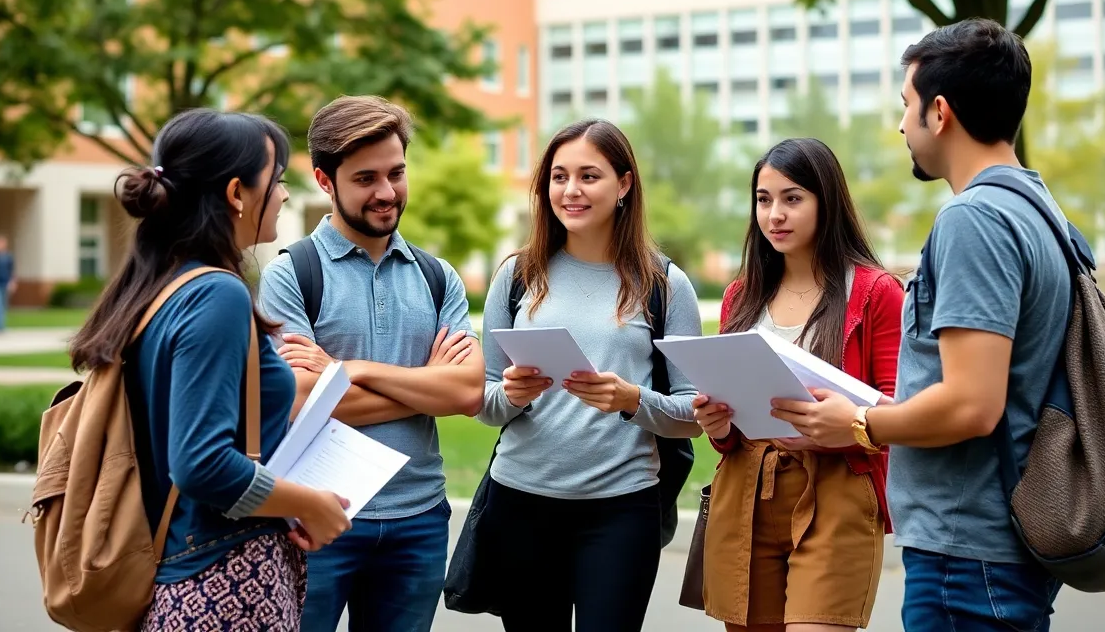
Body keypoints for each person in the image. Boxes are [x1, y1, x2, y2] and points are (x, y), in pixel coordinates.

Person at [773, 18, 1071, 631]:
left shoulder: (974, 220)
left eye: (906, 106)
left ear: (940, 112)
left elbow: (971, 405)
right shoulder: (1038, 207)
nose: (901, 125)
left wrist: (857, 423)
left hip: (968, 553)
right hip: (1000, 546)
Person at [66, 109, 352, 630]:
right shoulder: (215, 294)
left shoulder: (160, 287)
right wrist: (311, 503)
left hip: (184, 573)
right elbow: (201, 464)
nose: (285, 195)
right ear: (237, 193)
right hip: (227, 584)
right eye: (278, 180)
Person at [258, 95, 483, 632]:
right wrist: (426, 383)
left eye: (396, 173)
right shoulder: (291, 276)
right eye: (365, 179)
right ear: (324, 179)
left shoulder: (438, 277)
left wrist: (347, 370)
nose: (387, 193)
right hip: (314, 518)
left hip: (420, 519)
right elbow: (297, 401)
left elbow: (468, 394)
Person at [477, 118, 703, 632]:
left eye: (588, 176)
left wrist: (630, 399)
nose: (570, 190)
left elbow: (693, 413)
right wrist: (511, 394)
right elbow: (485, 403)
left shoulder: (664, 283)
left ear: (624, 185)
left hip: (621, 511)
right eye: (559, 177)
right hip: (519, 504)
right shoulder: (516, 275)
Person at [692, 137, 903, 632]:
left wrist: (849, 425)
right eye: (764, 201)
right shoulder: (740, 296)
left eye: (792, 198)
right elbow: (729, 433)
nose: (775, 216)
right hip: (745, 493)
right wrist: (716, 424)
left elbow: (902, 412)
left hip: (838, 492)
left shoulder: (876, 293)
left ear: (825, 202)